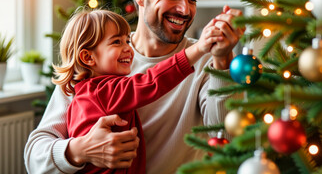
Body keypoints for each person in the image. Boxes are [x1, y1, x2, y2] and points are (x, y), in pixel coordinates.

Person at [24, 0, 243, 174]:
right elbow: (34, 159)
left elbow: (226, 137)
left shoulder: (206, 60)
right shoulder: (100, 59)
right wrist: (81, 150)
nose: (185, 10)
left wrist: (222, 59)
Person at [54, 9, 223, 173]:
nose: (128, 48)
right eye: (116, 42)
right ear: (88, 57)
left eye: (127, 41)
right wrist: (199, 48)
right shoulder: (103, 91)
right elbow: (152, 81)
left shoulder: (85, 93)